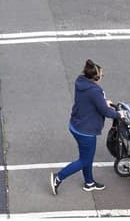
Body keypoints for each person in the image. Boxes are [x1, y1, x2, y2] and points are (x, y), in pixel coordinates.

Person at [50, 60, 120, 194]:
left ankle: (89, 182)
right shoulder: (95, 90)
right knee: (85, 160)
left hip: (76, 124)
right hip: (86, 131)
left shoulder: (81, 81)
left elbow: (90, 101)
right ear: (96, 78)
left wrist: (103, 102)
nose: (102, 78)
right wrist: (119, 114)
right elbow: (105, 111)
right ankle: (58, 178)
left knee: (86, 157)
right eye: (102, 76)